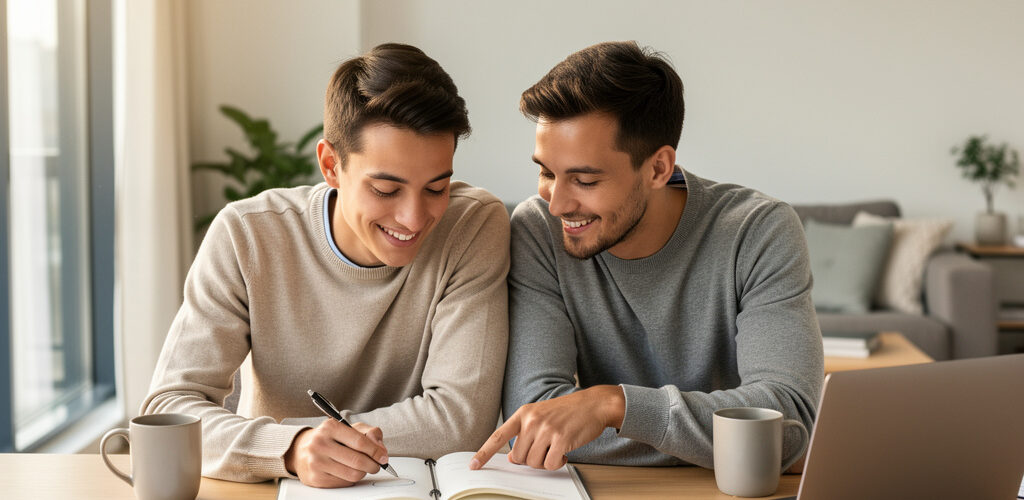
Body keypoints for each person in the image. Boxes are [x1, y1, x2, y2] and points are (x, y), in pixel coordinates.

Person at [143, 43, 510, 487]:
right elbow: (169, 408)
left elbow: (461, 419)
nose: (415, 219)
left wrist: (313, 439)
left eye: (436, 188)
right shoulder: (247, 235)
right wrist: (292, 447)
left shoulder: (472, 226)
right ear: (331, 165)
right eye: (386, 190)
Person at [471, 41, 823, 472]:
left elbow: (789, 424)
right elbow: (535, 421)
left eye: (583, 180)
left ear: (659, 168)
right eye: (546, 172)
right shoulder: (537, 230)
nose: (557, 203)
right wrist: (716, 441)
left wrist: (613, 406)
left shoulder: (759, 231)